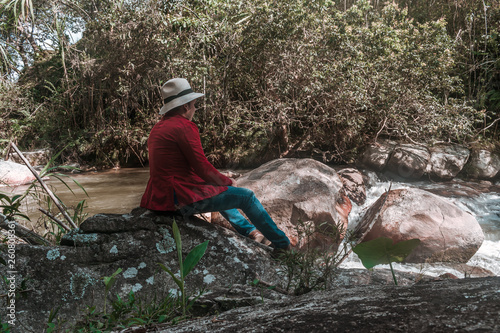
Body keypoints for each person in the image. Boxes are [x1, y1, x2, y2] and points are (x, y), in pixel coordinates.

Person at [140, 78, 291, 251]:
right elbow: (201, 167)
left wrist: (218, 180)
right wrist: (227, 181)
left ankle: (250, 231)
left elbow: (183, 169)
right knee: (246, 197)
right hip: (179, 198)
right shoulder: (184, 127)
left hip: (159, 198)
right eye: (194, 105)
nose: (195, 109)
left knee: (216, 188)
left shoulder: (157, 128)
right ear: (185, 106)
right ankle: (282, 245)